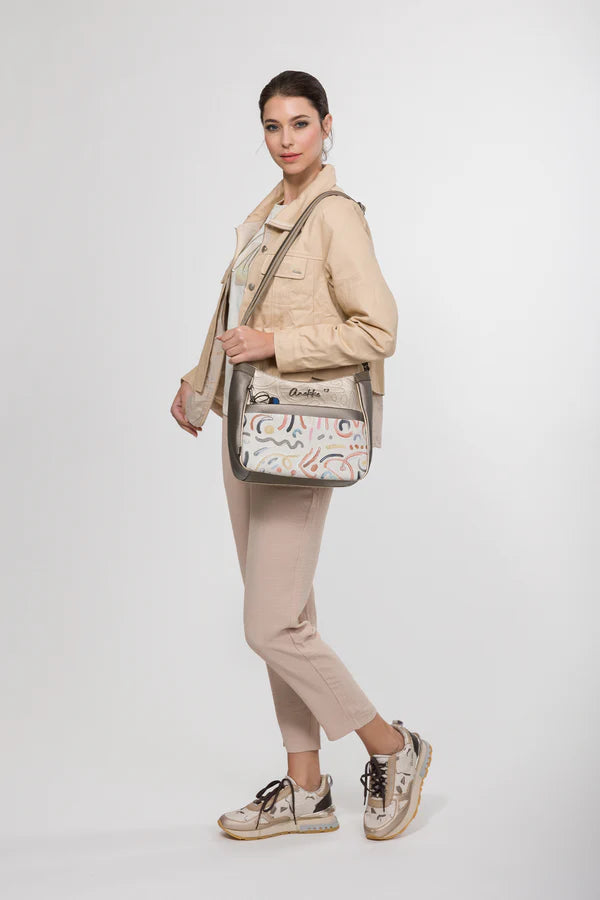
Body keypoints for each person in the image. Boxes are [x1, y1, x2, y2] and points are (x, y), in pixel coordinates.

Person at [171, 70, 432, 841]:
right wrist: (199, 383)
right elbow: (238, 314)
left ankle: (393, 746)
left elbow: (377, 330)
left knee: (269, 626)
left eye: (299, 124)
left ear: (326, 126)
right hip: (246, 431)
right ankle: (306, 788)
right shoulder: (267, 216)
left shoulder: (334, 216)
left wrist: (277, 345)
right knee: (289, 618)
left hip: (300, 438)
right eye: (272, 126)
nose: (286, 140)